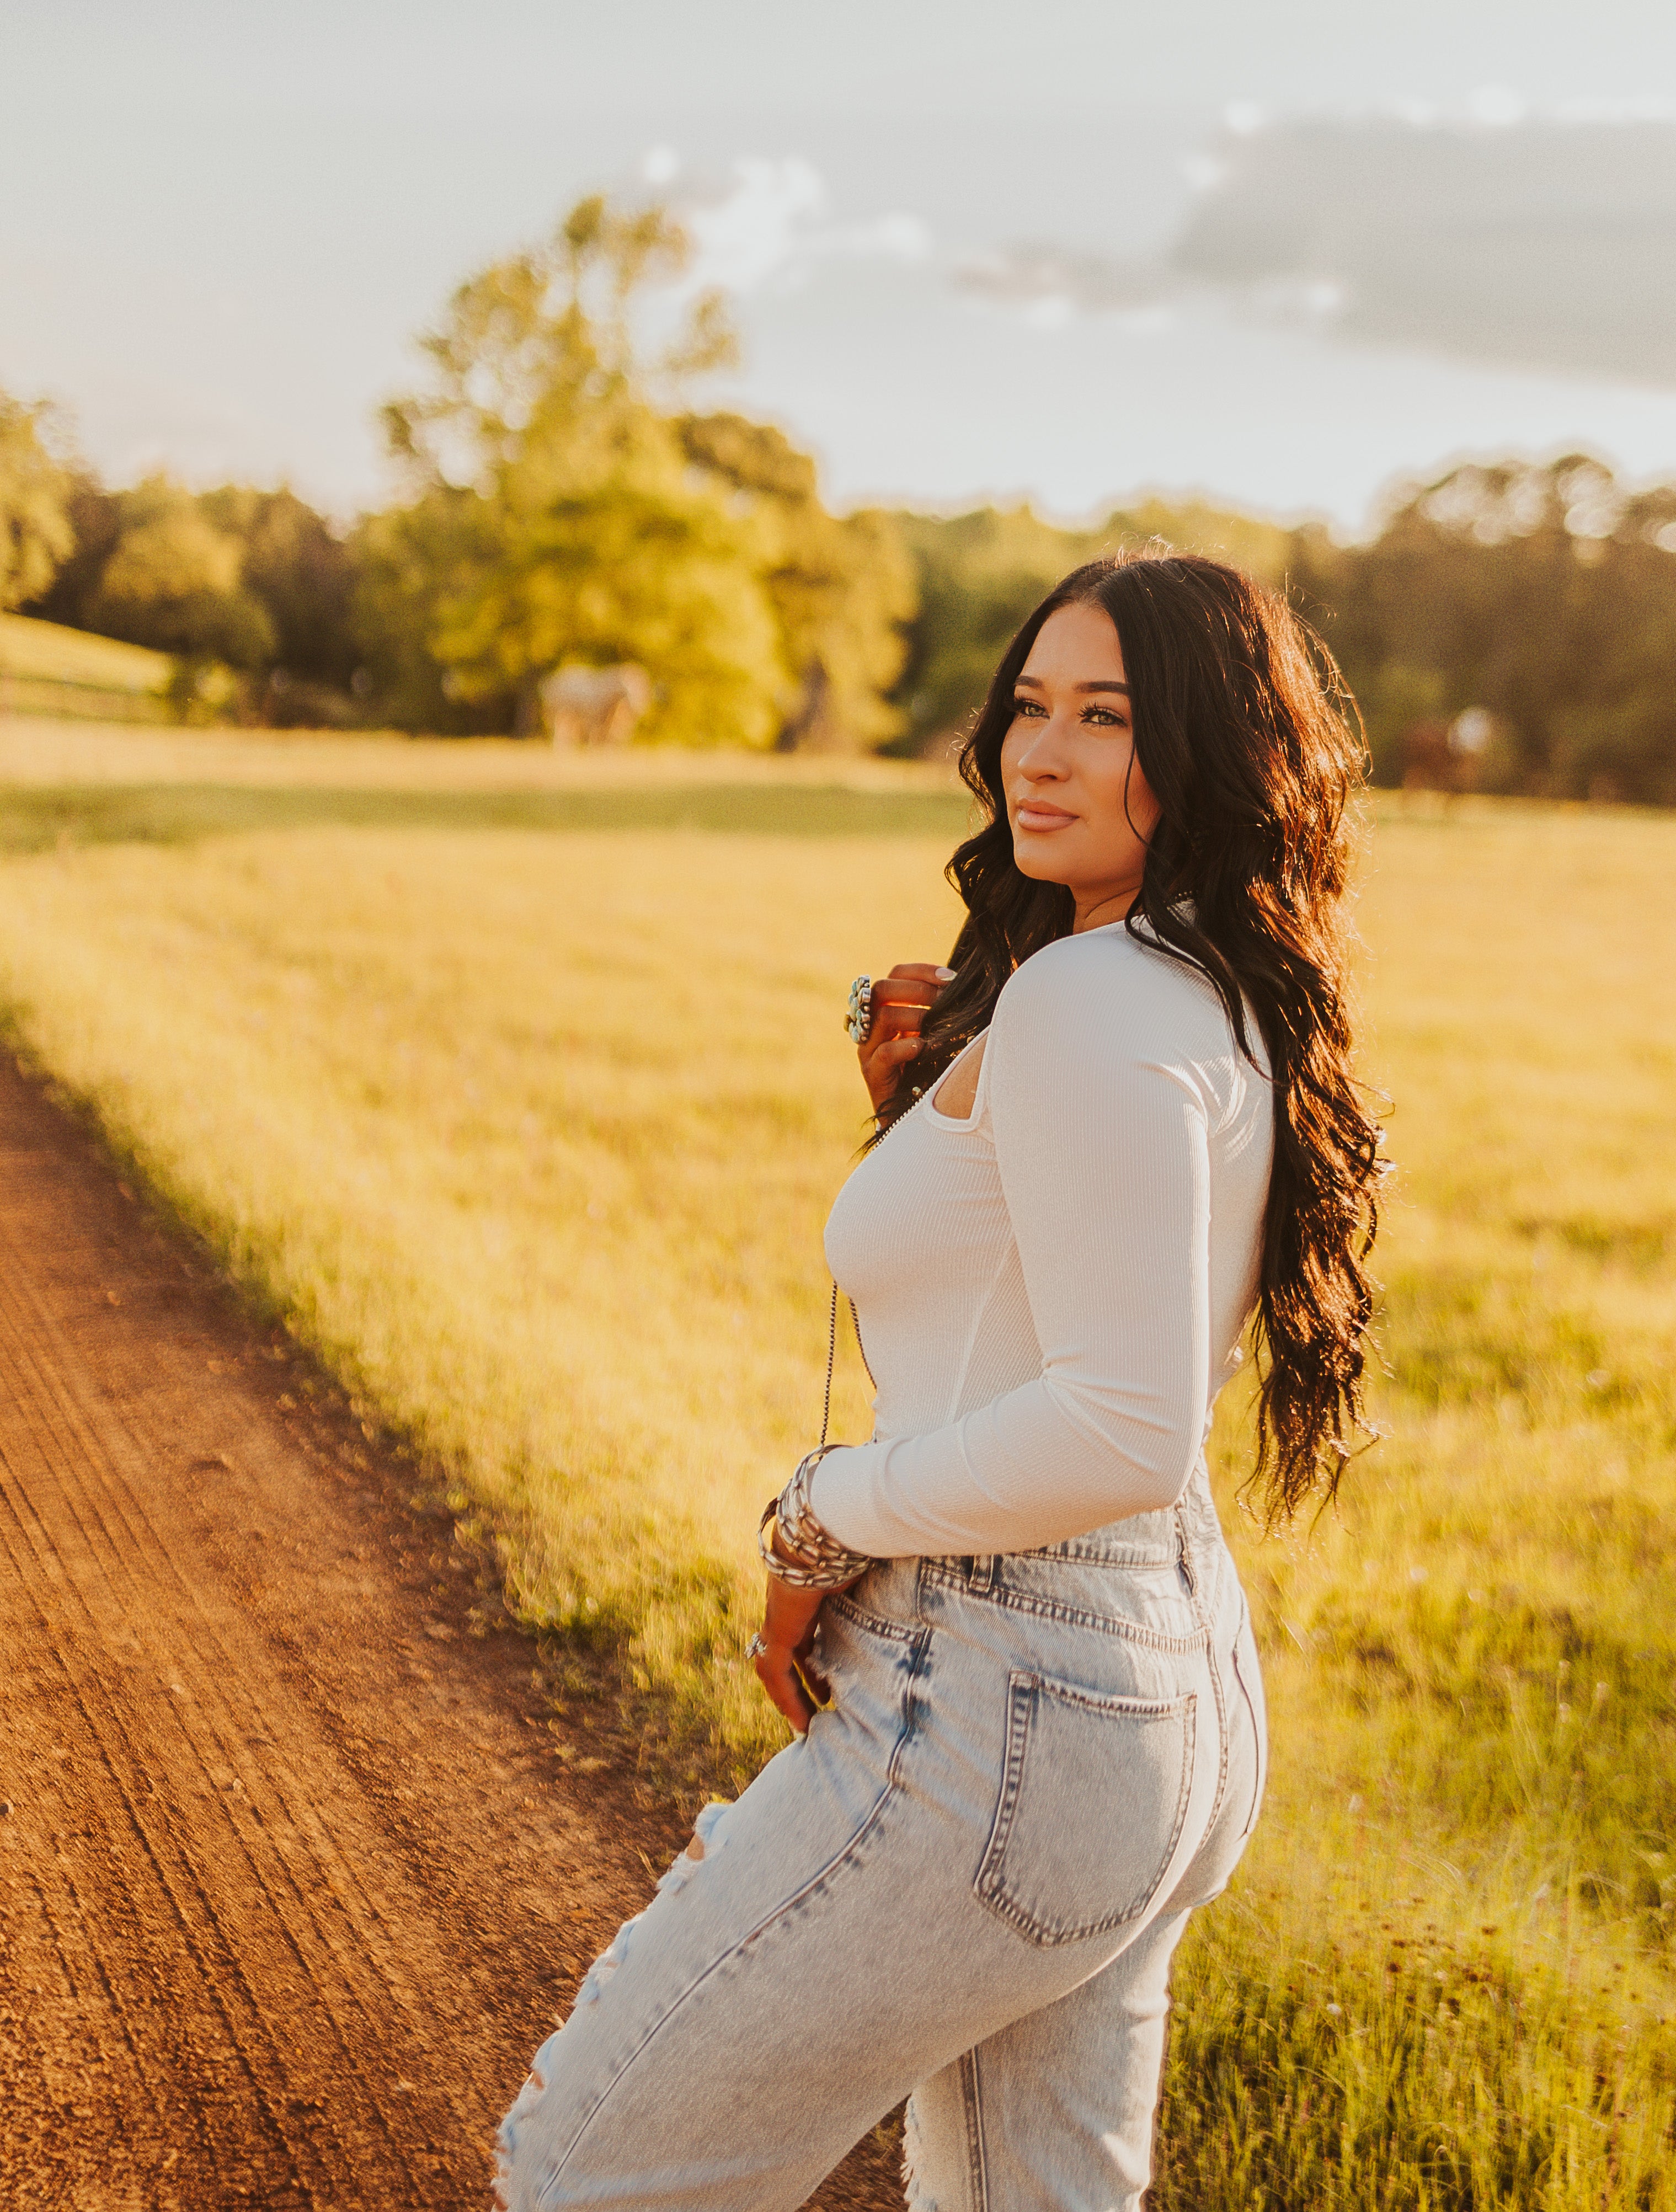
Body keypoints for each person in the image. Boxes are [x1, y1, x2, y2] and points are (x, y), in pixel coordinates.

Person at [495, 551, 1380, 2212]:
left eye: (1106, 716)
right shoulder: (1218, 985)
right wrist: (947, 1094)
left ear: (1207, 746)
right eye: (1029, 707)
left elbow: (1122, 1422)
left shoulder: (1090, 1001)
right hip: (1164, 1694)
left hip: (1007, 1691)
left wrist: (821, 1510)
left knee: (587, 2165)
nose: (1040, 756)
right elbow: (1063, 1287)